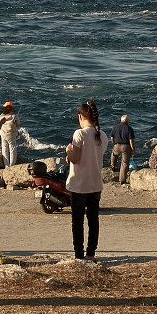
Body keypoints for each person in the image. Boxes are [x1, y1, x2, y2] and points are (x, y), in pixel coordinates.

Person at [66, 100, 107, 261]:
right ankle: (91, 253)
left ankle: (79, 254)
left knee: (77, 221)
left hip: (79, 185)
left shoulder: (80, 134)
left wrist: (68, 151)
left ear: (81, 116)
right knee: (93, 220)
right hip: (95, 184)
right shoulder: (102, 135)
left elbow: (75, 159)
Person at [109, 114, 135, 185]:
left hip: (116, 145)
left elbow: (111, 137)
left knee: (114, 154)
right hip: (125, 147)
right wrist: (133, 149)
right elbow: (131, 140)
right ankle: (122, 180)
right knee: (124, 163)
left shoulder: (115, 127)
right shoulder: (129, 128)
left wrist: (114, 144)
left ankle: (113, 166)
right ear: (127, 121)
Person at [0, 102, 21, 168]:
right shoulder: (14, 116)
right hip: (11, 135)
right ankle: (12, 165)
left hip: (3, 134)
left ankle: (6, 165)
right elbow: (18, 124)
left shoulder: (1, 116)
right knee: (12, 149)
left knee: (4, 149)